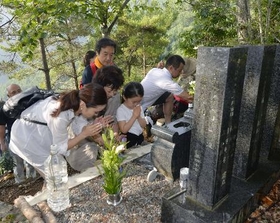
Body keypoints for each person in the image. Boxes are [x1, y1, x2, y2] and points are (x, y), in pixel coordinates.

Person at [9, 83, 108, 178]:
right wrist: (84, 134)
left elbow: (79, 126)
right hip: (26, 138)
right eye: (95, 112)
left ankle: (51, 190)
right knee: (55, 175)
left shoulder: (75, 105)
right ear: (83, 104)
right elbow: (60, 147)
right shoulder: (61, 114)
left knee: (54, 174)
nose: (96, 115)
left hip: (38, 135)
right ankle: (52, 193)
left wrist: (93, 127)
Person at [66, 66, 124, 171]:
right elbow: (81, 129)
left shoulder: (113, 97)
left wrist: (114, 138)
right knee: (90, 152)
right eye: (109, 91)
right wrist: (104, 141)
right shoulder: (86, 100)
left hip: (90, 134)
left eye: (114, 92)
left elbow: (112, 119)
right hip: (76, 143)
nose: (111, 95)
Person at [0, 84, 37, 183]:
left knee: (30, 160)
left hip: (28, 136)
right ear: (8, 96)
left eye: (19, 91)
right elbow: (1, 126)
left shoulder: (27, 103)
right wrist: (2, 142)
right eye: (13, 92)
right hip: (13, 139)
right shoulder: (4, 108)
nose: (17, 93)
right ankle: (20, 182)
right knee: (17, 162)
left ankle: (32, 180)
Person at [141, 55, 193, 124]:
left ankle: (168, 123)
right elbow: (188, 98)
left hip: (137, 99)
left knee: (169, 96)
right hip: (137, 108)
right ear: (171, 68)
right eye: (179, 71)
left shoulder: (154, 70)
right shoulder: (167, 82)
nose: (180, 73)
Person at [116, 82, 146, 148]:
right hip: (129, 138)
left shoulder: (139, 107)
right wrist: (134, 116)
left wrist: (139, 117)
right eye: (134, 102)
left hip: (140, 136)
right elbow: (123, 130)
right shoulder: (121, 110)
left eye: (139, 101)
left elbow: (144, 125)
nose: (136, 104)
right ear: (124, 97)